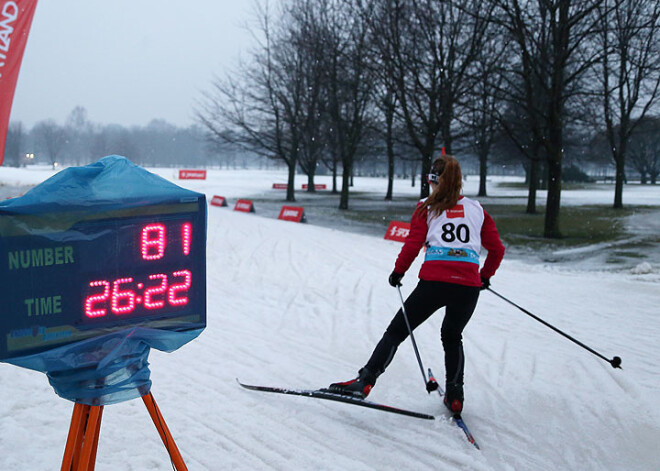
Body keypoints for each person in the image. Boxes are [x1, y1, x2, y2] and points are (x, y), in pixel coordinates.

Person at [328, 155, 505, 414]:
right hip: (467, 285)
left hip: (434, 282)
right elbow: (497, 250)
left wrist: (398, 272)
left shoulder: (426, 207)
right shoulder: (477, 209)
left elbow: (413, 244)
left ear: (433, 181)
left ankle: (365, 381)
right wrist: (485, 276)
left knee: (397, 331)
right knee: (453, 337)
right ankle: (456, 395)